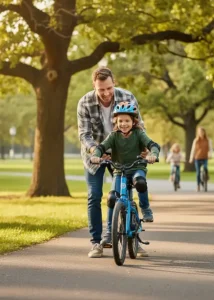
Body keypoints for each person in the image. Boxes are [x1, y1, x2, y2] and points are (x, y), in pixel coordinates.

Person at [77, 66, 150, 258]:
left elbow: (139, 125)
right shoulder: (84, 102)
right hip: (96, 154)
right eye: (101, 89)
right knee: (94, 196)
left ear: (113, 83)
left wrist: (144, 148)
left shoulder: (127, 96)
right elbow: (84, 134)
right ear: (95, 86)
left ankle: (133, 238)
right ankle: (96, 243)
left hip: (123, 153)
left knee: (125, 193)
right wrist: (96, 152)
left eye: (109, 88)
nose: (106, 93)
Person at [91, 100, 159, 242]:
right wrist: (96, 156)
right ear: (116, 121)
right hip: (119, 171)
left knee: (140, 183)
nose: (123, 124)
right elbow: (101, 147)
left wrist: (153, 155)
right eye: (120, 121)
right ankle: (110, 231)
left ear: (133, 121)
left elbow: (153, 145)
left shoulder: (139, 133)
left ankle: (145, 208)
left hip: (136, 168)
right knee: (112, 198)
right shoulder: (113, 136)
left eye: (127, 120)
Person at [189, 127, 212, 192]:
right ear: (198, 133)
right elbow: (193, 150)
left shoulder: (208, 140)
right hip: (197, 158)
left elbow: (210, 148)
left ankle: (206, 177)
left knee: (205, 167)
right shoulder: (196, 140)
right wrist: (191, 158)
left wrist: (210, 155)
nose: (201, 133)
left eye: (202, 132)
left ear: (204, 132)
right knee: (198, 172)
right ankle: (198, 186)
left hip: (205, 157)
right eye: (200, 132)